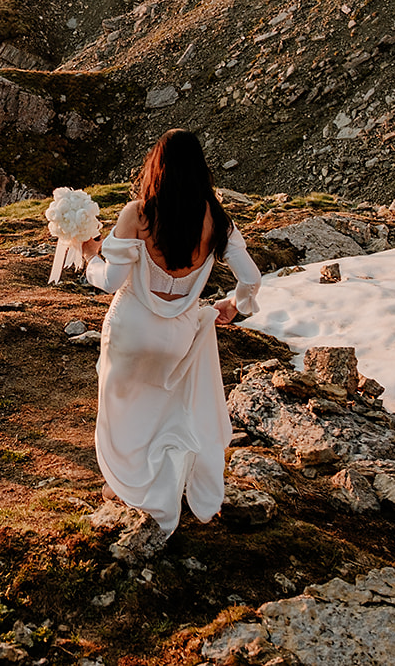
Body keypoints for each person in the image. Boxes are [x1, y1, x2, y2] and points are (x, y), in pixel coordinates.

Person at [80, 128, 262, 534]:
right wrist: (235, 305)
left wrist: (90, 254)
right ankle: (163, 482)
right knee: (163, 411)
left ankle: (126, 485)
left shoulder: (138, 213)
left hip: (131, 328)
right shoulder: (216, 219)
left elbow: (111, 281)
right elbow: (250, 277)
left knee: (122, 409)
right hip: (178, 335)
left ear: (156, 167)